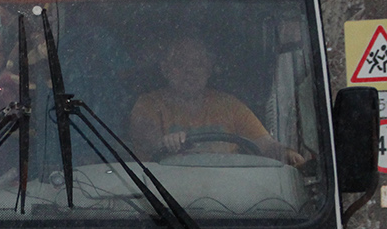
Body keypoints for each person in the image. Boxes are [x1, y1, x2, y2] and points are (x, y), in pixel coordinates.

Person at [128, 35, 305, 164]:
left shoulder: (229, 106)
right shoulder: (149, 105)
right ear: (165, 69)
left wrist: (287, 154)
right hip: (167, 196)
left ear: (209, 69)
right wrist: (166, 143)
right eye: (180, 63)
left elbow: (265, 146)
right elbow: (149, 144)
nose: (190, 71)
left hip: (226, 197)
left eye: (198, 63)